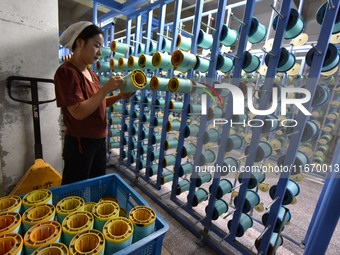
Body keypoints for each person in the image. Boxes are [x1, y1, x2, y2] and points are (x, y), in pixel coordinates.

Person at [54, 21, 134, 185]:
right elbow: (78, 111)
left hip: (98, 141)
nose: (100, 52)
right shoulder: (67, 73)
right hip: (81, 144)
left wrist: (119, 96)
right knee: (75, 190)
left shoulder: (91, 73)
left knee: (97, 184)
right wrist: (105, 89)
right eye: (96, 45)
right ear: (80, 42)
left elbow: (98, 102)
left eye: (101, 47)